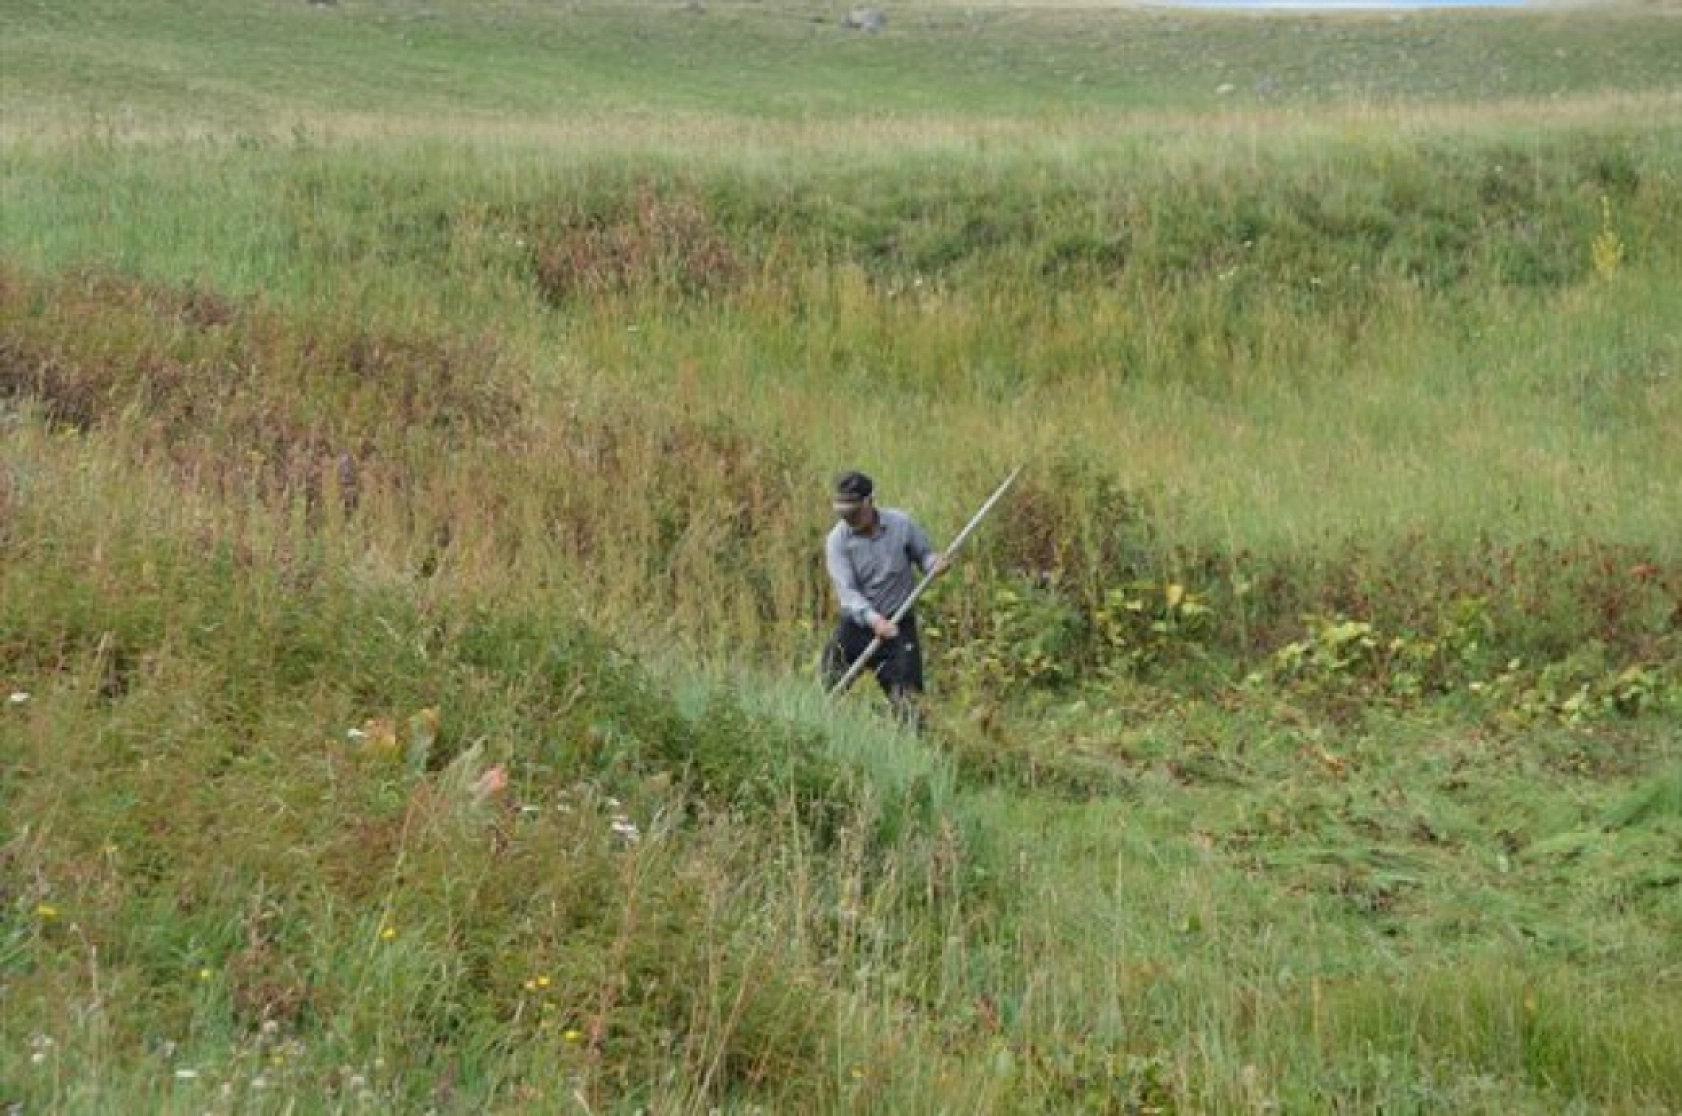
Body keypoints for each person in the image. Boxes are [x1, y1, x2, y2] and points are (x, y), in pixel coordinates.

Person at [821, 470, 947, 727]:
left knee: (909, 704)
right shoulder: (837, 542)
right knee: (829, 678)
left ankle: (913, 748)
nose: (850, 520)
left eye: (855, 512)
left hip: (899, 626)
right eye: (845, 514)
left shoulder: (902, 524)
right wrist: (874, 620)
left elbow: (924, 556)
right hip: (858, 626)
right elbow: (847, 593)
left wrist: (934, 563)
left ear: (870, 501)